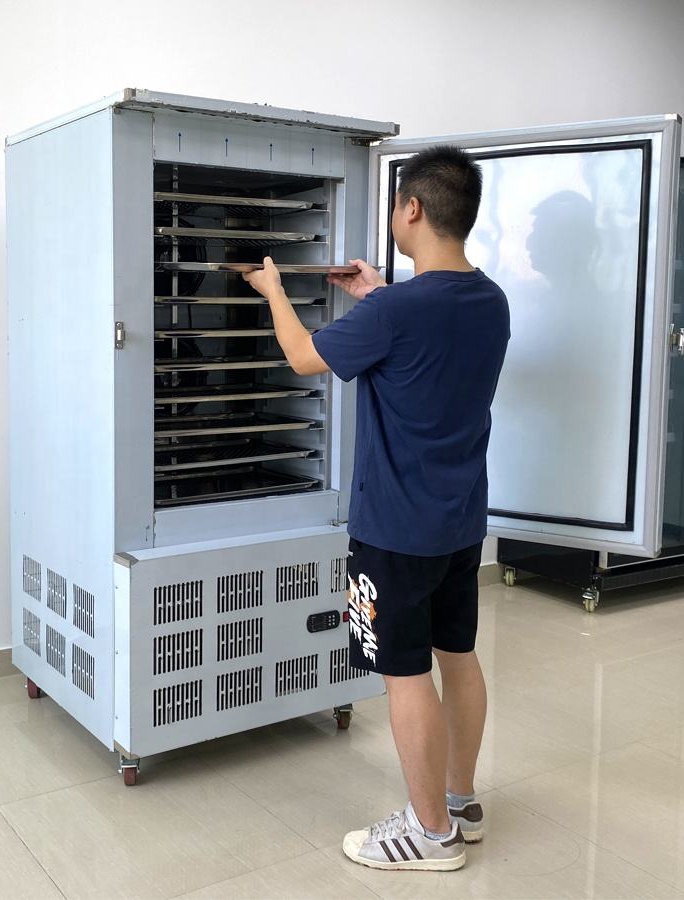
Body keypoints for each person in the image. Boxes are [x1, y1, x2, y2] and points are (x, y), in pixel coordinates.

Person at [243, 145, 510, 872]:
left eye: (396, 204)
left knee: (404, 672)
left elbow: (303, 356)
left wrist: (273, 290)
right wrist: (377, 293)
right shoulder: (488, 300)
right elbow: (426, 335)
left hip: (394, 529)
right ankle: (460, 803)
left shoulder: (397, 310)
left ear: (412, 208)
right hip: (460, 524)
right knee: (458, 656)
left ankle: (429, 835)